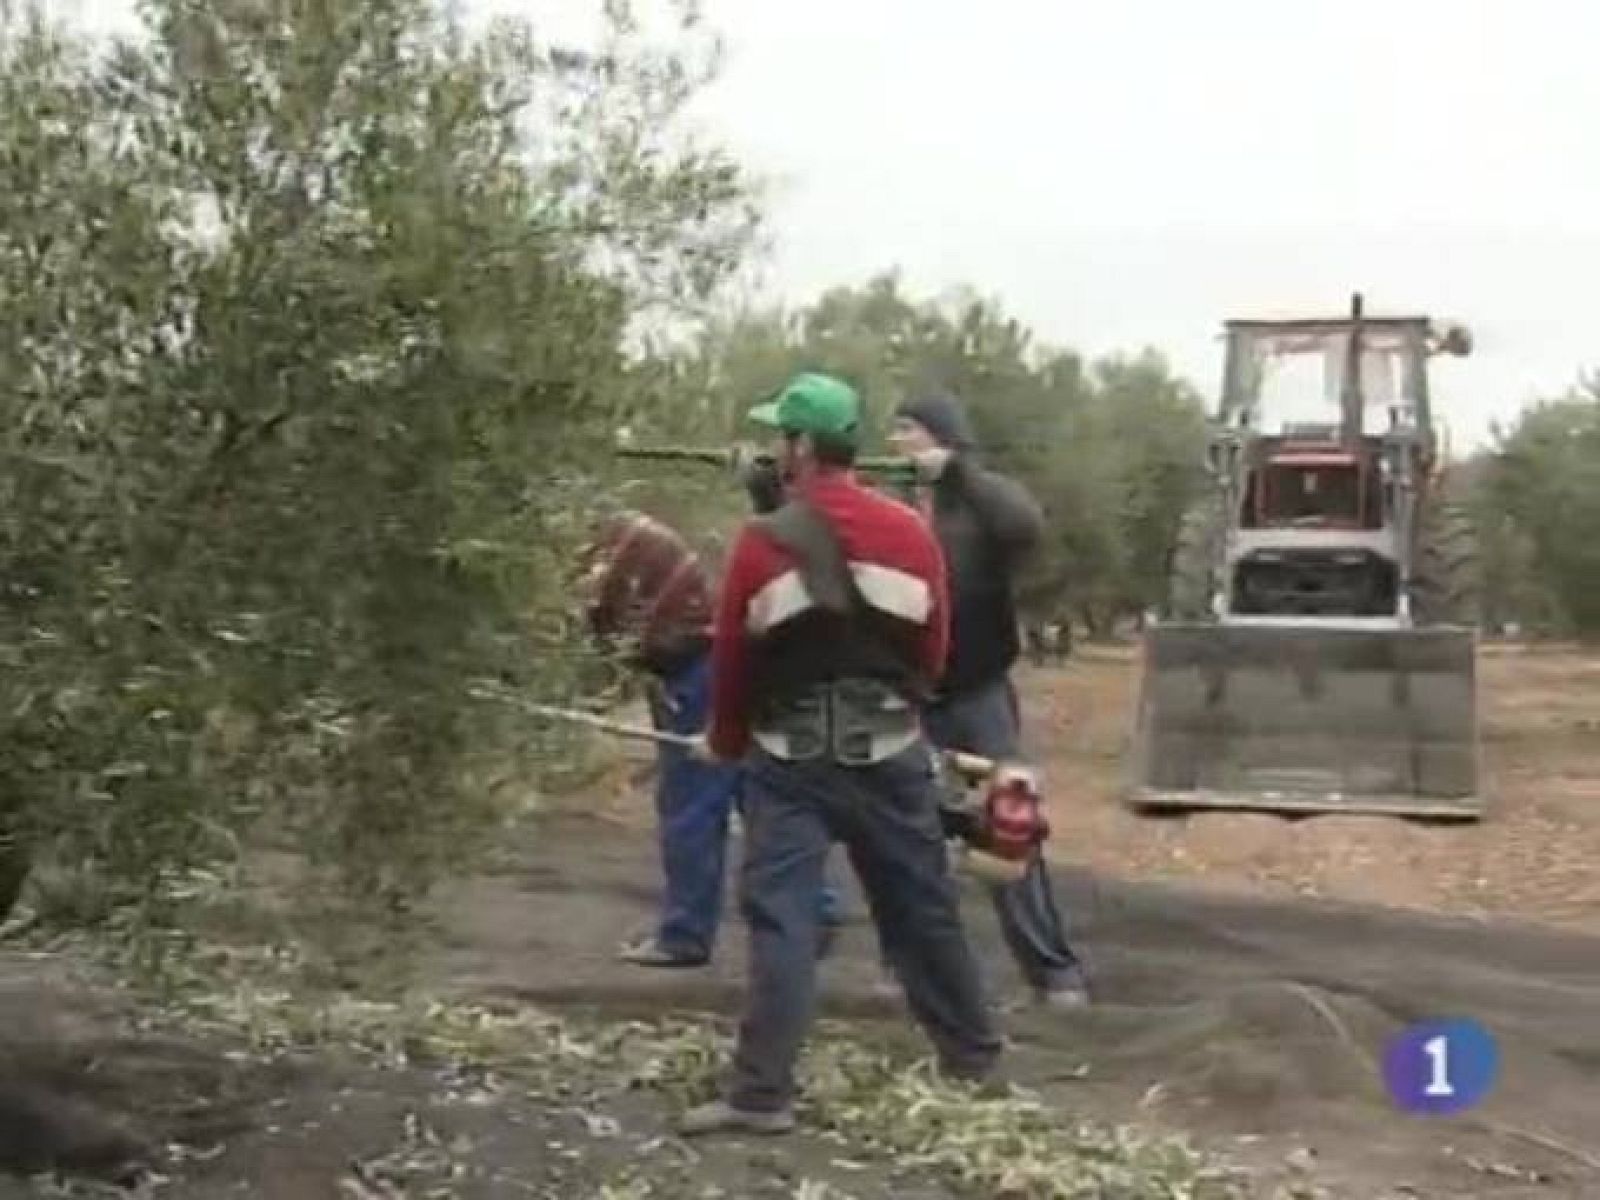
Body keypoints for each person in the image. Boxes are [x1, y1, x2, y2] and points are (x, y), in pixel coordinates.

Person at [678, 372, 1002, 1136]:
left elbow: (733, 656)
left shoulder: (764, 542)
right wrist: (902, 711)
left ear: (798, 446)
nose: (772, 450)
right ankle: (974, 1058)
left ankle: (762, 1097)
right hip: (888, 748)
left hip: (790, 759)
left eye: (777, 437)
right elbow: (934, 647)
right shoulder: (909, 534)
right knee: (922, 906)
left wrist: (724, 741)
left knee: (782, 919)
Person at [885, 387, 1091, 1010]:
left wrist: (958, 473)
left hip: (978, 692)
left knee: (1008, 828)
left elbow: (1026, 527)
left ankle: (1055, 976)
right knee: (907, 835)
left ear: (940, 437)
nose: (895, 443)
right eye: (893, 431)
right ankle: (913, 973)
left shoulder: (978, 501)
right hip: (911, 696)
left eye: (907, 430)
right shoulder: (890, 505)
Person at [581, 509, 844, 968]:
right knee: (754, 791)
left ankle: (685, 935)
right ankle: (814, 907)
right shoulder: (629, 535)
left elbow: (599, 621)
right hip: (725, 658)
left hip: (696, 669)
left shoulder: (611, 545)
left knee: (691, 806)